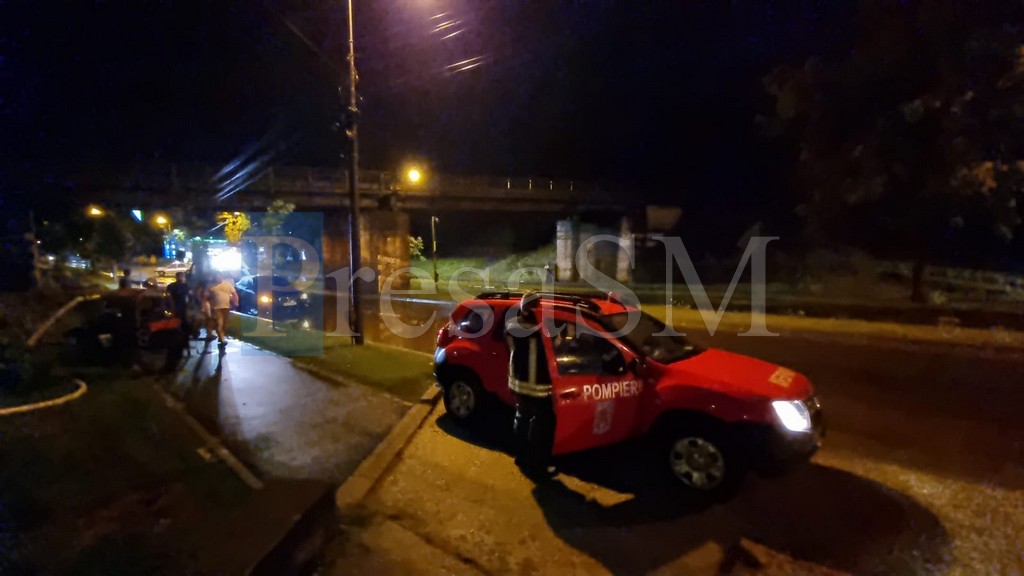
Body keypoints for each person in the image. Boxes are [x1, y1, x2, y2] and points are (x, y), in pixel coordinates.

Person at [506, 292, 557, 480]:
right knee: (541, 426)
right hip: (538, 386)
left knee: (521, 418)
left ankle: (521, 457)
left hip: (518, 383)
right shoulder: (542, 329)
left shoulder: (511, 325)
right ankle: (537, 467)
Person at [207, 273, 238, 347]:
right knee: (219, 324)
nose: (218, 278)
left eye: (219, 277)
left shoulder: (227, 285)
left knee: (224, 324)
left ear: (222, 277)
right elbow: (207, 297)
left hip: (226, 307)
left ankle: (221, 337)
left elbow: (234, 294)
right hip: (216, 308)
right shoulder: (211, 287)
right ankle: (222, 339)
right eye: (216, 277)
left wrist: (236, 302)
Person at [166, 272, 191, 356]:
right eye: (180, 276)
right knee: (178, 326)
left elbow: (189, 298)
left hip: (181, 309)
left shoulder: (185, 286)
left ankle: (182, 343)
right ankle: (179, 343)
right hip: (177, 309)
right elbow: (169, 298)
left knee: (183, 326)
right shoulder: (173, 286)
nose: (181, 278)